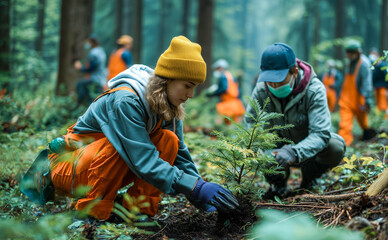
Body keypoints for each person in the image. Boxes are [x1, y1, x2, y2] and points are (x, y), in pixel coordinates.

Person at [43, 36, 238, 220]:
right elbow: (144, 161)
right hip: (67, 168)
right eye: (187, 86)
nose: (191, 94)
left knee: (170, 140)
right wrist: (196, 187)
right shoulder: (126, 100)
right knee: (119, 145)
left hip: (98, 167)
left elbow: (181, 156)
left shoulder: (168, 105)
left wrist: (202, 197)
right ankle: (91, 214)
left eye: (194, 87)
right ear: (168, 79)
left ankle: (137, 211)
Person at [245, 43, 346, 199]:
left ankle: (309, 179)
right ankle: (277, 184)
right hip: (276, 150)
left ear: (294, 72)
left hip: (308, 150)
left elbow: (320, 134)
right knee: (262, 154)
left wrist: (294, 152)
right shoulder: (261, 89)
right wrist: (262, 154)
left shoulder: (314, 90)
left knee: (335, 146)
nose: (273, 85)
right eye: (270, 81)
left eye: (279, 80)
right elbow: (251, 124)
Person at [338, 39, 374, 146]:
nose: (348, 55)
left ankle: (367, 133)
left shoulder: (364, 64)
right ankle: (343, 145)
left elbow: (367, 83)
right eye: (347, 53)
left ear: (357, 53)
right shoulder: (349, 63)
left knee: (363, 121)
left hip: (359, 98)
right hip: (346, 99)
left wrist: (367, 100)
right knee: (345, 123)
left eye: (350, 53)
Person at [207, 59, 245, 124]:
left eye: (217, 68)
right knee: (235, 124)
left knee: (221, 122)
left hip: (227, 104)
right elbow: (238, 90)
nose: (216, 70)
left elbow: (224, 89)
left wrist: (213, 94)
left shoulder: (223, 76)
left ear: (221, 67)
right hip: (236, 103)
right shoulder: (231, 76)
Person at [74, 34, 107, 106]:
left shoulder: (94, 52)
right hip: (101, 78)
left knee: (80, 84)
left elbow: (92, 67)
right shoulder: (101, 51)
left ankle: (80, 104)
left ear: (92, 42)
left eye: (88, 42)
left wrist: (80, 68)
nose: (87, 44)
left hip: (95, 78)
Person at [368, 48, 388, 118]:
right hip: (376, 88)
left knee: (383, 104)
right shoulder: (374, 67)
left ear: (377, 55)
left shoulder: (383, 65)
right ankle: (379, 118)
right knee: (378, 105)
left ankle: (386, 118)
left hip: (383, 88)